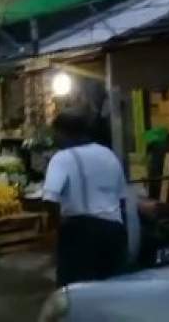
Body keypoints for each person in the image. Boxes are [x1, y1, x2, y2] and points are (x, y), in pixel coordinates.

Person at [43, 111, 128, 286]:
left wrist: (54, 229)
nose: (54, 139)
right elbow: (122, 198)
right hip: (114, 232)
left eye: (55, 134)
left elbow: (50, 199)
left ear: (64, 132)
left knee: (75, 293)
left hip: (79, 233)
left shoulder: (62, 158)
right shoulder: (108, 154)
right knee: (111, 288)